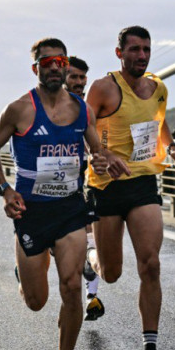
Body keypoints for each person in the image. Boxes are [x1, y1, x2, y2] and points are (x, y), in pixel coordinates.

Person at [0, 37, 123, 350]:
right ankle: (26, 268)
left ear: (65, 66)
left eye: (59, 61)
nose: (54, 67)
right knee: (36, 301)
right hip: (32, 212)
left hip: (70, 209)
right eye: (46, 62)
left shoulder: (81, 110)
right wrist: (5, 190)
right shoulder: (19, 110)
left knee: (73, 287)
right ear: (36, 69)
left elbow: (95, 151)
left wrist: (103, 160)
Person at [85, 26, 175, 350]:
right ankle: (90, 260)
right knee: (111, 273)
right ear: (119, 53)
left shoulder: (158, 87)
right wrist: (100, 154)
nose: (141, 56)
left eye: (146, 50)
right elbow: (83, 125)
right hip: (107, 187)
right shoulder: (103, 87)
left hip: (144, 182)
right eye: (134, 50)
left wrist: (172, 148)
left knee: (151, 263)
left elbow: (158, 125)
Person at [65, 56, 104, 322]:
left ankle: (92, 297)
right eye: (74, 77)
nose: (79, 83)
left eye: (82, 78)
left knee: (89, 240)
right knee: (64, 248)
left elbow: (94, 145)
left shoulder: (87, 109)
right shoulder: (44, 109)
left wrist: (100, 159)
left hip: (83, 185)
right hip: (50, 193)